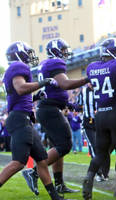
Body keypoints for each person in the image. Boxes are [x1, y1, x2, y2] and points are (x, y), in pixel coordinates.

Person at [22, 38, 89, 195]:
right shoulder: (54, 63)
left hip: (49, 107)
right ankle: (34, 171)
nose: (66, 52)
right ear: (56, 50)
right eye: (63, 49)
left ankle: (59, 184)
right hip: (49, 109)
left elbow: (55, 90)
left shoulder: (47, 64)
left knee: (57, 147)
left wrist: (68, 105)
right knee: (65, 145)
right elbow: (64, 84)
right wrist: (86, 78)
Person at [0, 41, 66, 200]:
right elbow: (20, 88)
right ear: (19, 53)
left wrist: (35, 97)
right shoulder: (18, 67)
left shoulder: (14, 69)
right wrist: (43, 82)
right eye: (28, 53)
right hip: (19, 119)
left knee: (42, 160)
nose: (30, 56)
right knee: (18, 162)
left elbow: (18, 96)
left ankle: (55, 197)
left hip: (22, 119)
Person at [82, 38, 116, 199]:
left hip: (100, 114)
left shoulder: (91, 67)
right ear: (114, 51)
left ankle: (89, 177)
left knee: (100, 153)